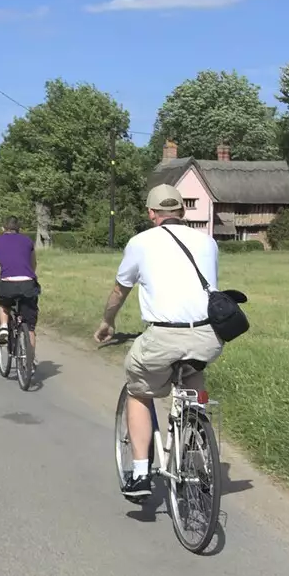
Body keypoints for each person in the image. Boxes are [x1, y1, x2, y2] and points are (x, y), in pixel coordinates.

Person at [93, 184, 222, 499]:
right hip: (209, 335)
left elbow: (119, 291)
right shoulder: (208, 242)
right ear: (182, 211)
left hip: (164, 335)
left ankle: (139, 474)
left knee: (139, 389)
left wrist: (108, 321)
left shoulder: (140, 243)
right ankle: (196, 450)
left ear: (151, 213)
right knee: (193, 377)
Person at [0, 216, 39, 349]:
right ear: (19, 229)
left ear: (2, 228)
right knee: (30, 326)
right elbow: (33, 264)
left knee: (3, 301)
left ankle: (3, 327)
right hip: (28, 284)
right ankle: (31, 360)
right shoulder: (28, 241)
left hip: (8, 284)